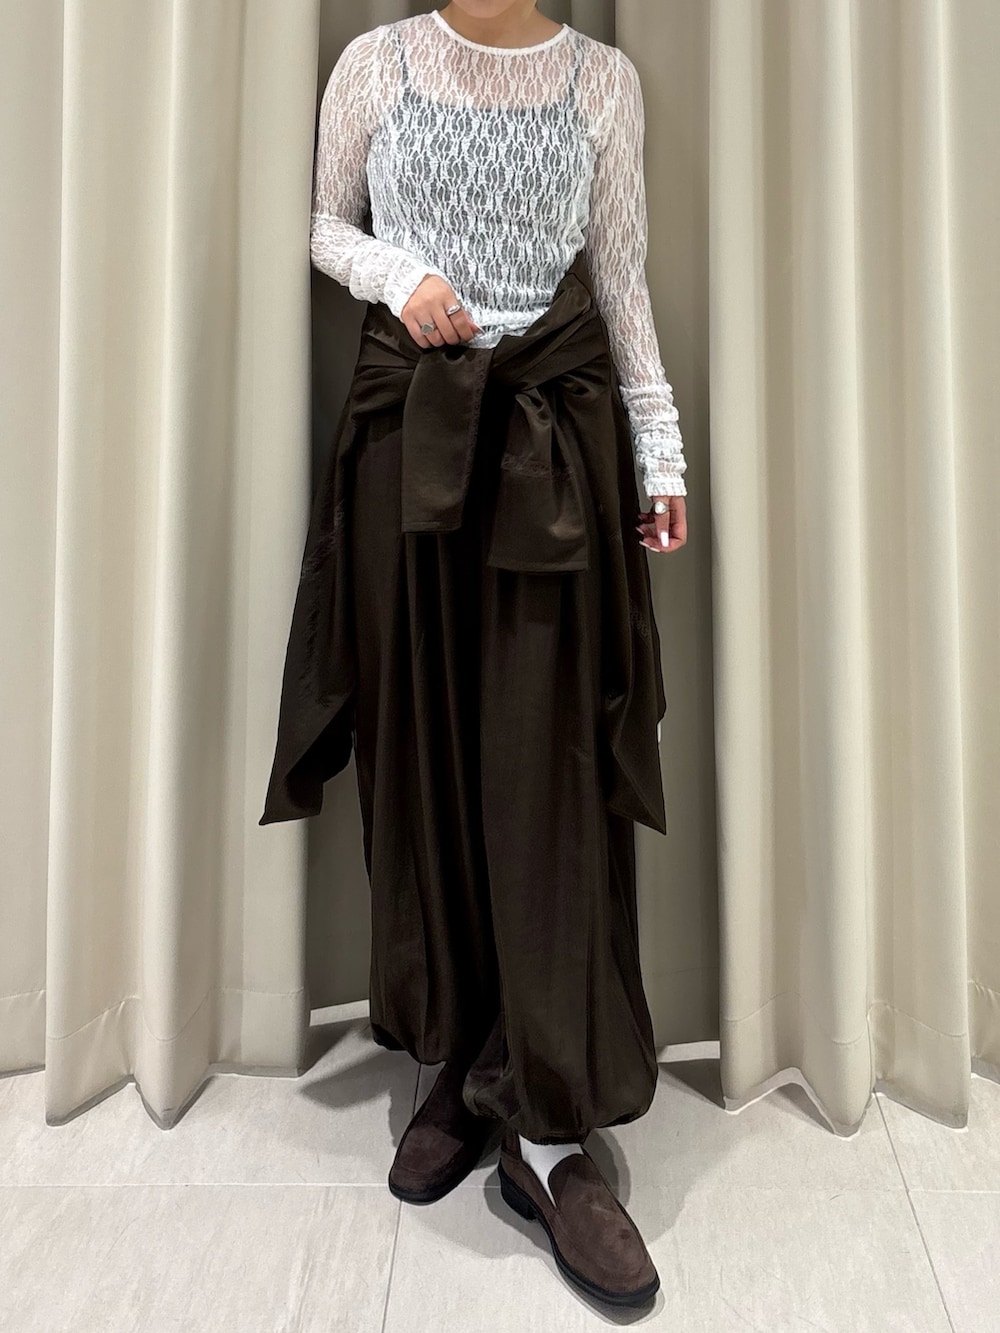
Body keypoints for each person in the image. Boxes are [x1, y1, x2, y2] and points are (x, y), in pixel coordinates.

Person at [260, 0, 688, 1310]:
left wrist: (660, 448)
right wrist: (400, 278)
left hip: (551, 451)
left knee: (546, 785)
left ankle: (550, 1130)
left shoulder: (602, 83)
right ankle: (455, 1059)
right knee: (426, 765)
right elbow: (322, 223)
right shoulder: (374, 66)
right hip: (409, 444)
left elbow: (621, 278)